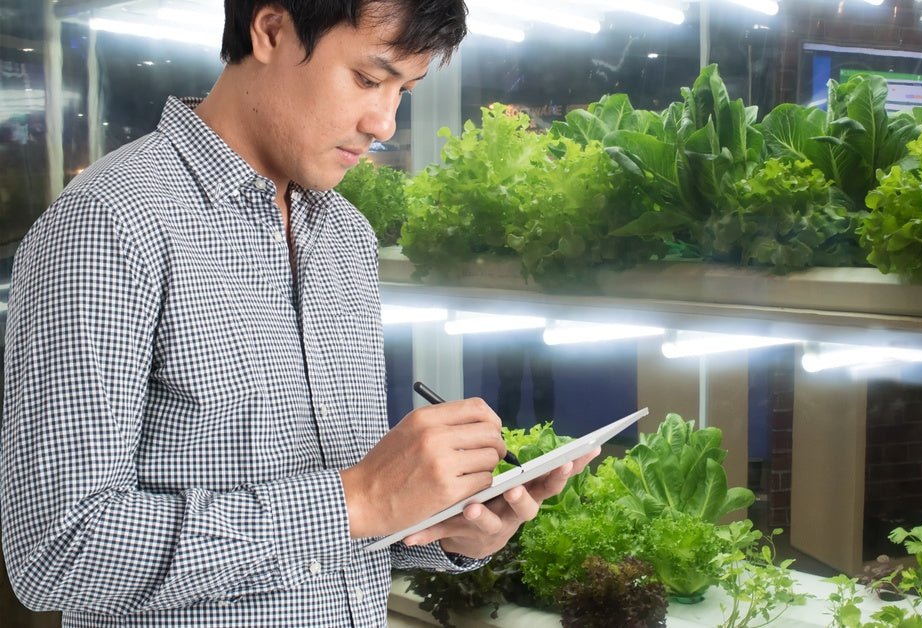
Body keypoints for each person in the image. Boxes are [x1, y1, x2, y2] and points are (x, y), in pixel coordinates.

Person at [0, 1, 596, 625]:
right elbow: (56, 555)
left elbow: (329, 529)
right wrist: (356, 500)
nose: (385, 122)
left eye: (405, 91)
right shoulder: (110, 222)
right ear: (271, 30)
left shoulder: (345, 236)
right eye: (368, 79)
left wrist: (444, 530)